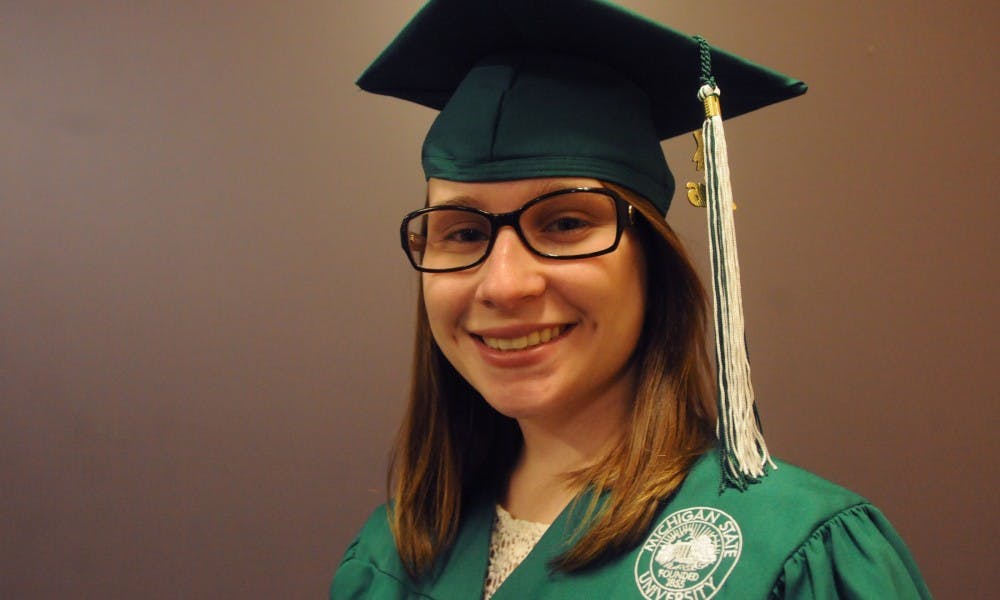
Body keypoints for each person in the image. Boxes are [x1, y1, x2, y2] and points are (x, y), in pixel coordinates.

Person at [331, 0, 930, 598]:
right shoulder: (391, 555)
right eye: (462, 232)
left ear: (654, 262)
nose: (504, 284)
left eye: (565, 223)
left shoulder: (792, 554)